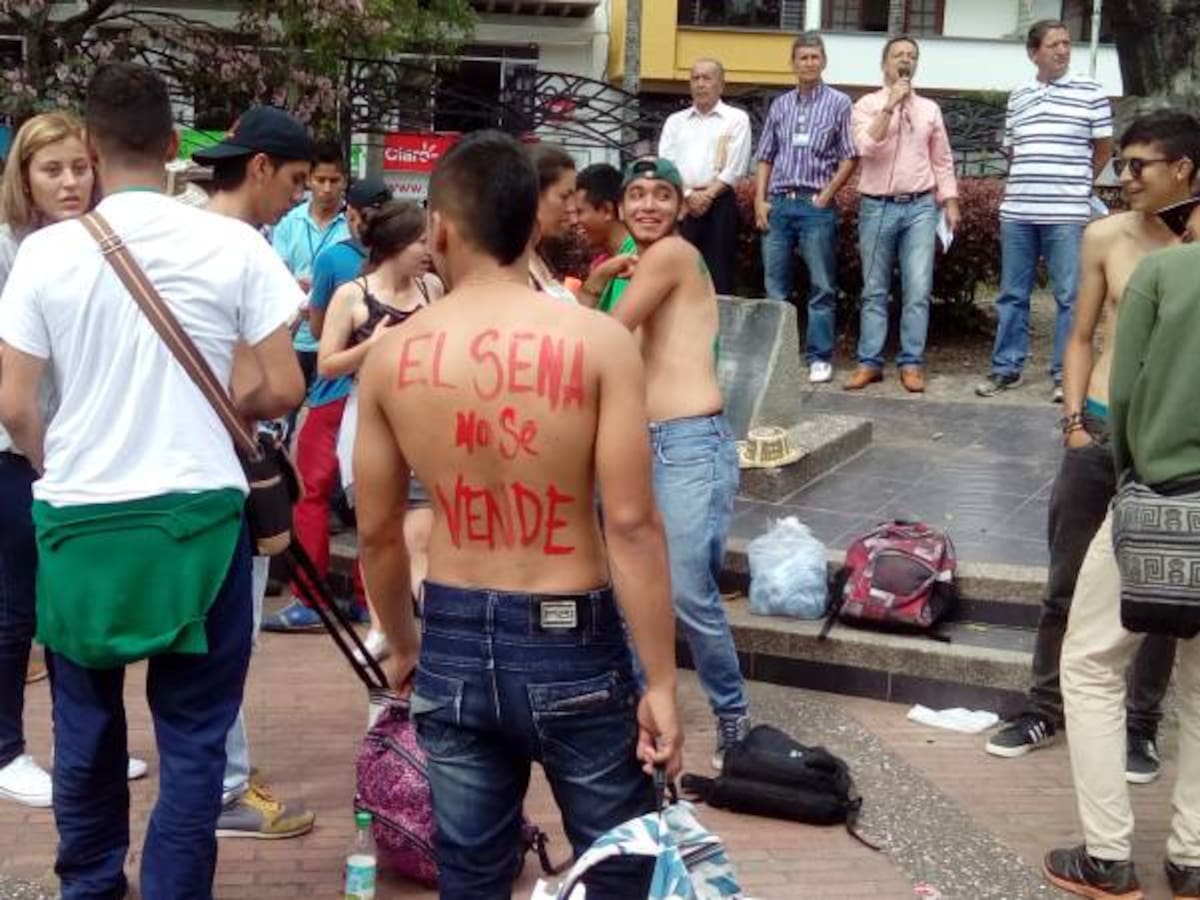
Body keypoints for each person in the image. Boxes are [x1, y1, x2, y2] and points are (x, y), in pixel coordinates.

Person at [0, 63, 305, 898]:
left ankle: (91, 884)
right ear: (175, 146)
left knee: (85, 727)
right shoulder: (233, 244)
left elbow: (15, 403)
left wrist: (53, 461)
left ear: (92, 149)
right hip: (201, 517)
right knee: (195, 738)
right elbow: (283, 386)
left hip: (79, 520)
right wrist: (224, 406)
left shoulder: (44, 254)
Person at [354, 130, 682, 898]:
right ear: (534, 225)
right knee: (619, 865)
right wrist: (662, 682)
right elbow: (632, 524)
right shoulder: (598, 343)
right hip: (572, 636)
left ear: (439, 228)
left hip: (453, 634)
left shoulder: (392, 356)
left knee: (471, 873)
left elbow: (377, 533)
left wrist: (405, 644)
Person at [985, 111, 1199, 780]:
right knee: (1066, 581)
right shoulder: (1105, 235)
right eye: (1122, 164)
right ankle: (1043, 706)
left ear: (1183, 170)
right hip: (1101, 428)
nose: (1123, 177)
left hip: (1171, 447)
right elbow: (1080, 336)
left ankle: (1141, 725)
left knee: (1161, 594)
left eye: (1138, 166)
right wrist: (1074, 421)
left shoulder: (1193, 247)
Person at [1044, 193, 1200, 900]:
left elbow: (1127, 393)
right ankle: (1191, 858)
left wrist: (1135, 470)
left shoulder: (1165, 273)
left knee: (1090, 662)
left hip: (1164, 495)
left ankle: (1108, 854)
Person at [0, 112, 150, 809]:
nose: (69, 182)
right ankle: (6, 750)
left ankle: (83, 749)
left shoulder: (99, 241)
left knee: (73, 606)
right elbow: (15, 392)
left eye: (79, 167)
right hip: (21, 454)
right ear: (24, 177)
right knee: (17, 608)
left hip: (81, 455)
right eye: (51, 169)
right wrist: (42, 456)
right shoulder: (11, 249)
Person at [192, 104, 319, 840]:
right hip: (228, 466)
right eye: (296, 180)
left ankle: (219, 773)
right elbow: (271, 383)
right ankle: (224, 786)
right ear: (261, 168)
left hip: (186, 469)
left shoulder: (183, 232)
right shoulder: (241, 246)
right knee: (227, 639)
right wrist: (257, 417)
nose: (298, 197)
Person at [599, 156, 749, 770]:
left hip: (689, 443)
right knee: (636, 590)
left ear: (682, 207)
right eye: (636, 195)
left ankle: (732, 716)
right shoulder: (631, 264)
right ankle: (645, 715)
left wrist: (595, 282)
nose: (648, 205)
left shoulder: (670, 256)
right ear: (621, 206)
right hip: (643, 441)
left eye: (662, 194)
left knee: (688, 593)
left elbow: (603, 335)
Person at [263, 176, 394, 634]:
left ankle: (311, 600)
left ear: (350, 215)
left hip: (336, 393)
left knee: (312, 493)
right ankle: (368, 597)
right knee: (375, 499)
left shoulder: (335, 259)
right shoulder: (412, 265)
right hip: (389, 397)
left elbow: (319, 332)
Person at [317, 199, 443, 659]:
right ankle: (382, 626)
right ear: (393, 246)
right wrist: (374, 345)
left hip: (426, 422)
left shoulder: (432, 287)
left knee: (421, 535)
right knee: (377, 531)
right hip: (369, 419)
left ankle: (435, 631)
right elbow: (327, 364)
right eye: (420, 242)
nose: (428, 251)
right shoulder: (352, 295)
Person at [976, 19, 1113, 402]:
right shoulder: (1019, 95)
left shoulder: (1091, 92)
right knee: (1011, 295)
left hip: (1066, 214)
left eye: (1067, 43)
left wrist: (1080, 185)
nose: (1063, 50)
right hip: (1018, 211)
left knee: (1069, 297)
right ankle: (1006, 368)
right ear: (1033, 52)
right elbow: (1013, 149)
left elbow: (1104, 148)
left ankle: (1064, 374)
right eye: (1054, 44)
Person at [846, 34, 960, 394]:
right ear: (885, 64)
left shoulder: (929, 109)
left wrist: (950, 200)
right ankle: (870, 362)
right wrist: (890, 106)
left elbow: (942, 159)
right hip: (877, 205)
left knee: (918, 287)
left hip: (920, 206)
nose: (905, 60)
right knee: (874, 288)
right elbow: (865, 147)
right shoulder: (867, 104)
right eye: (898, 55)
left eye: (911, 55)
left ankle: (911, 362)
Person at [754, 32, 858, 384]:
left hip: (816, 205)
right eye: (803, 57)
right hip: (780, 204)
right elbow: (765, 155)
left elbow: (849, 156)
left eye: (815, 57)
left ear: (823, 61)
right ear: (793, 63)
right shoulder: (780, 105)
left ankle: (819, 357)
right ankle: (778, 357)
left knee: (822, 286)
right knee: (775, 287)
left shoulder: (840, 103)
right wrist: (759, 199)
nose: (809, 63)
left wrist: (827, 195)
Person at [657, 57, 751, 295]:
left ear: (721, 84)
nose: (700, 84)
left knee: (719, 274)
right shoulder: (675, 122)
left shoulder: (736, 119)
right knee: (677, 270)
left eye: (707, 78)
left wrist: (707, 196)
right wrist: (689, 195)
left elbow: (736, 167)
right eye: (695, 78)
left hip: (720, 201)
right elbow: (666, 164)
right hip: (681, 203)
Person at [271, 138, 350, 393]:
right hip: (292, 338)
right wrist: (293, 288)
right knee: (283, 411)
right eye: (320, 180)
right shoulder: (288, 222)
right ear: (308, 180)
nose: (327, 188)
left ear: (344, 181)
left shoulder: (353, 226)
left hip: (337, 342)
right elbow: (275, 276)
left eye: (334, 180)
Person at [574, 163, 635, 313]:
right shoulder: (604, 262)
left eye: (579, 212)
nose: (574, 221)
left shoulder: (634, 260)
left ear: (607, 210)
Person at [527, 144, 582, 302]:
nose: (571, 210)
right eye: (564, 197)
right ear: (533, 195)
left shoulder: (536, 256)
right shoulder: (511, 268)